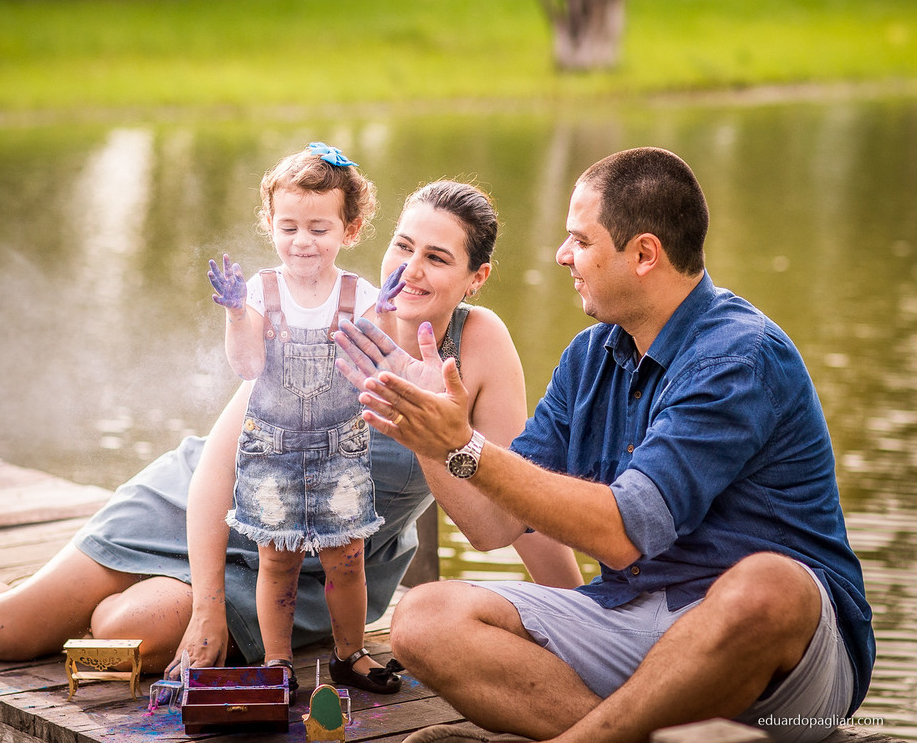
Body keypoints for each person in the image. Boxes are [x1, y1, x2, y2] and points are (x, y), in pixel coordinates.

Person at [0, 176, 582, 687]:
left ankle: (111, 602)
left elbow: (508, 521)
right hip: (204, 505)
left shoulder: (482, 346)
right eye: (403, 246)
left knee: (126, 629)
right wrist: (204, 611)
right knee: (4, 632)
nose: (410, 270)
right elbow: (215, 473)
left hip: (319, 565)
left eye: (438, 257)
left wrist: (583, 618)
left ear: (477, 277)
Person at [334, 147, 874, 743]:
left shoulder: (737, 356)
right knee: (423, 618)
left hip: (778, 664)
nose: (563, 256)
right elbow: (492, 526)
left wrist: (464, 443)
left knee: (772, 585)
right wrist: (429, 434)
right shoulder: (589, 357)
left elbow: (623, 533)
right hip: (630, 617)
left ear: (644, 253)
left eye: (581, 241)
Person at [205, 142, 408, 693]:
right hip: (270, 447)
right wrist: (233, 314)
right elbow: (247, 365)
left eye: (319, 229)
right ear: (269, 222)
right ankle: (277, 662)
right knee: (278, 562)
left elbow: (374, 371)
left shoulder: (360, 294)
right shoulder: (259, 292)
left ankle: (351, 654)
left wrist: (385, 317)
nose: (303, 242)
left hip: (341, 447)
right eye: (289, 226)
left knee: (347, 561)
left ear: (351, 229)